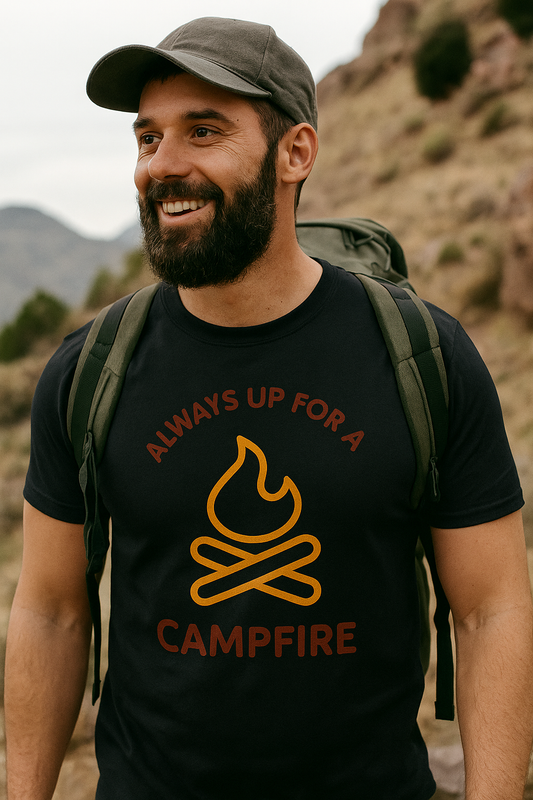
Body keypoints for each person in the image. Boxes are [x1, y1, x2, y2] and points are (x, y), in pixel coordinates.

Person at [4, 16, 533, 800]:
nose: (163, 165)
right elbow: (50, 612)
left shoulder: (421, 357)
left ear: (295, 154)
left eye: (204, 130)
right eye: (148, 138)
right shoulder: (91, 372)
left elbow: (490, 608)